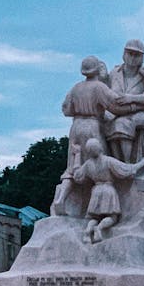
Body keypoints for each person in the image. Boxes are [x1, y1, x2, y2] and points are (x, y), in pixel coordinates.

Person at [51, 56, 115, 216]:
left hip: (76, 126)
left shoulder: (75, 88)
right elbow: (114, 104)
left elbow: (66, 110)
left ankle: (61, 199)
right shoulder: (99, 87)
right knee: (97, 166)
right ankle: (96, 211)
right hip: (93, 126)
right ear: (96, 70)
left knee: (72, 167)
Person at [103, 39, 144, 163]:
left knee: (123, 123)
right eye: (130, 53)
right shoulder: (114, 74)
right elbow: (104, 93)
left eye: (137, 55)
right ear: (124, 54)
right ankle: (114, 166)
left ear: (142, 58)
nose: (133, 58)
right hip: (114, 113)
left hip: (134, 115)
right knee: (102, 122)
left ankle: (126, 164)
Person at [72, 138, 144, 243]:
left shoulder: (88, 164)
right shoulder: (108, 161)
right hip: (108, 190)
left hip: (96, 191)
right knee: (113, 217)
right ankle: (99, 228)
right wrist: (143, 162)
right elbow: (128, 170)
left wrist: (77, 155)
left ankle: (87, 231)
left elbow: (77, 176)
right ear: (99, 147)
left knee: (95, 216)